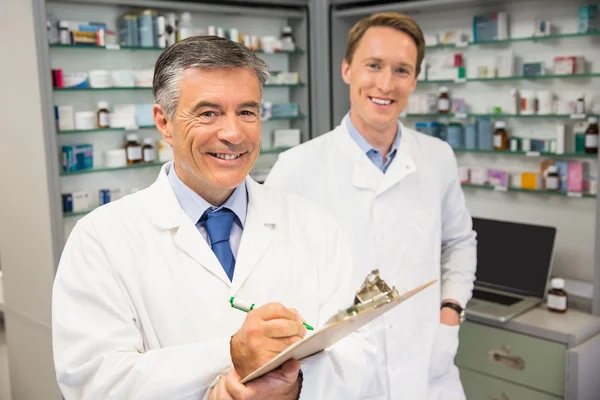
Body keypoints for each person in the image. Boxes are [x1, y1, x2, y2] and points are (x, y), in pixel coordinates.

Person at [52, 36, 378, 400]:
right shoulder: (101, 238)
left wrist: (294, 386)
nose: (233, 133)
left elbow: (357, 352)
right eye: (208, 113)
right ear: (164, 122)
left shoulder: (315, 226)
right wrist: (231, 355)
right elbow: (94, 382)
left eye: (247, 112)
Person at [265, 12, 477, 400]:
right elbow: (267, 271)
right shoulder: (297, 167)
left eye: (401, 70)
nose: (385, 84)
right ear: (347, 69)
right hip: (337, 377)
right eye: (373, 65)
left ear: (414, 80)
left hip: (426, 370)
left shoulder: (438, 157)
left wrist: (450, 312)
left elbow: (460, 242)